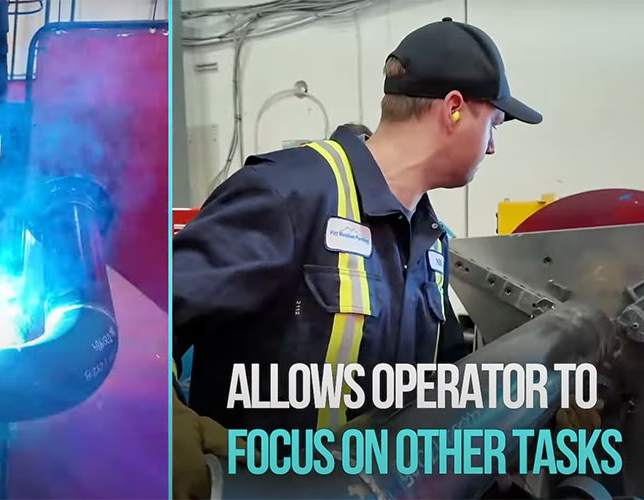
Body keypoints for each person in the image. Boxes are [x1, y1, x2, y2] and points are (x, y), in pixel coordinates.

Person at [172, 17, 542, 498]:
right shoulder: (290, 194)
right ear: (453, 109)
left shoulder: (429, 238)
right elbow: (154, 313)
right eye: (493, 122)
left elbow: (446, 384)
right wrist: (166, 421)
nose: (492, 146)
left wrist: (536, 406)